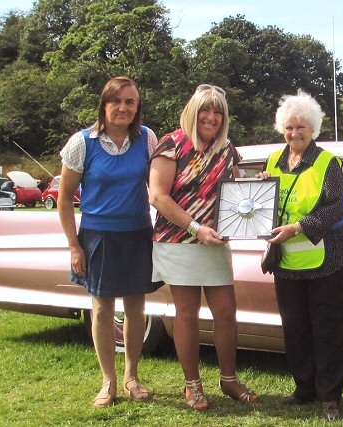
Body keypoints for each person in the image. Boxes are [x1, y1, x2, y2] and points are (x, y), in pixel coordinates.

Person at [148, 84, 258, 411]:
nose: (211, 117)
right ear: (193, 112)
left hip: (215, 242)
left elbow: (239, 196)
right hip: (178, 241)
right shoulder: (172, 144)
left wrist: (257, 189)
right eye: (205, 110)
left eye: (218, 111)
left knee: (226, 312)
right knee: (188, 314)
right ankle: (192, 385)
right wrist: (196, 227)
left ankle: (229, 380)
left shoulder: (227, 150)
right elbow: (158, 196)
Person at [257, 90, 343, 421]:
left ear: (313, 129)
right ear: (281, 128)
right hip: (288, 260)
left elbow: (335, 208)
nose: (295, 133)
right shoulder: (273, 160)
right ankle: (304, 390)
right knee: (296, 328)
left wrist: (299, 227)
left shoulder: (328, 162)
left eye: (301, 127)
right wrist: (260, 192)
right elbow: (265, 203)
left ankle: (329, 396)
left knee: (330, 329)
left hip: (332, 259)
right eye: (289, 127)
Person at [58, 76, 161, 408]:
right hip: (98, 237)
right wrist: (75, 245)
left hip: (137, 233)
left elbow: (161, 186)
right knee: (102, 309)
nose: (123, 107)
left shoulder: (147, 139)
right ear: (104, 105)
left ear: (137, 108)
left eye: (130, 102)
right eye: (116, 101)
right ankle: (108, 381)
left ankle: (132, 376)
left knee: (136, 308)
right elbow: (64, 199)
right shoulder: (81, 142)